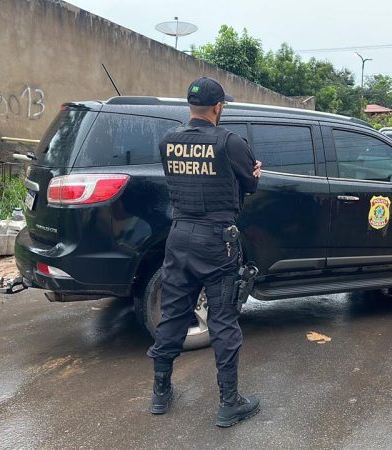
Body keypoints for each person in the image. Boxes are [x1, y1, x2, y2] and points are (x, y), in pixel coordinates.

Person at [147, 77, 263, 427]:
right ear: (218, 107)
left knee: (172, 315)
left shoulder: (169, 141)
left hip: (179, 237)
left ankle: (160, 393)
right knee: (223, 319)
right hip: (217, 242)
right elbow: (250, 183)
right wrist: (254, 174)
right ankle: (230, 402)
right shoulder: (230, 142)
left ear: (189, 107)